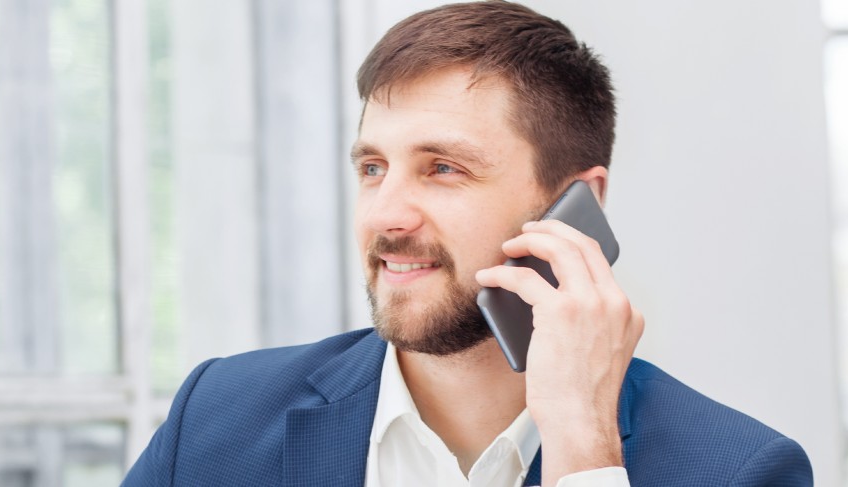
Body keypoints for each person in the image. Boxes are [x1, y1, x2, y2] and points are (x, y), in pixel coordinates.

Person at [123, 1, 812, 486]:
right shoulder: (214, 420)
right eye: (372, 168)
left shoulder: (738, 470)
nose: (386, 214)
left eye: (442, 168)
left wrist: (583, 446)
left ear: (577, 204)